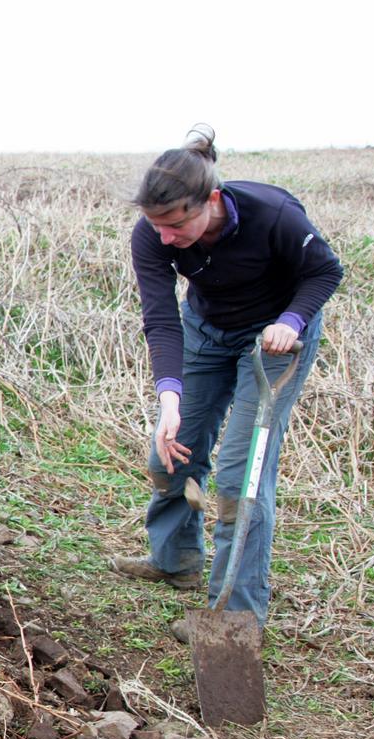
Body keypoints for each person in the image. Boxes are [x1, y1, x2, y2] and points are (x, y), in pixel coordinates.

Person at [110, 127, 341, 638]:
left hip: (275, 342)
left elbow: (325, 271)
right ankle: (175, 560)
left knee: (243, 479)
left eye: (176, 224)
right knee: (170, 451)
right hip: (205, 333)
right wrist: (169, 401)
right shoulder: (151, 234)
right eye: (157, 226)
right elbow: (161, 318)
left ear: (210, 201)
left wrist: (293, 320)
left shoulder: (272, 214)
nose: (166, 237)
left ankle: (234, 618)